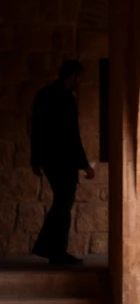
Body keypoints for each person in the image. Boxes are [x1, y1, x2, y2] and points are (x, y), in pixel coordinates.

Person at [30, 60, 95, 265]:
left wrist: (36, 159)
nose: (79, 82)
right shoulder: (66, 98)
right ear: (73, 76)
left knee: (61, 204)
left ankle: (53, 250)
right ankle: (55, 251)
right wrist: (85, 165)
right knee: (63, 206)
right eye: (78, 77)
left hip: (49, 160)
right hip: (64, 162)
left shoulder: (43, 95)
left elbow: (36, 129)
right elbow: (71, 136)